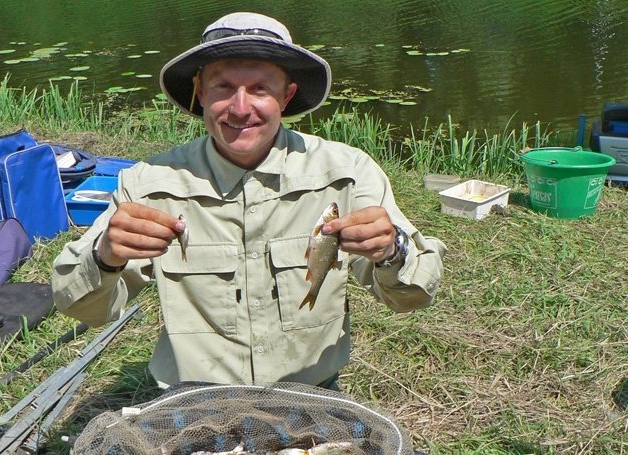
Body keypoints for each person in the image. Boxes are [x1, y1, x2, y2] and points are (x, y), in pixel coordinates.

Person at [51, 11, 446, 390]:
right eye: (223, 87)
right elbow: (81, 307)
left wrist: (392, 250)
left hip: (311, 393)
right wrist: (105, 256)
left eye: (260, 88)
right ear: (200, 92)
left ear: (286, 96)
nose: (241, 109)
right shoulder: (148, 185)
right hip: (193, 397)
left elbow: (412, 295)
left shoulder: (348, 172)